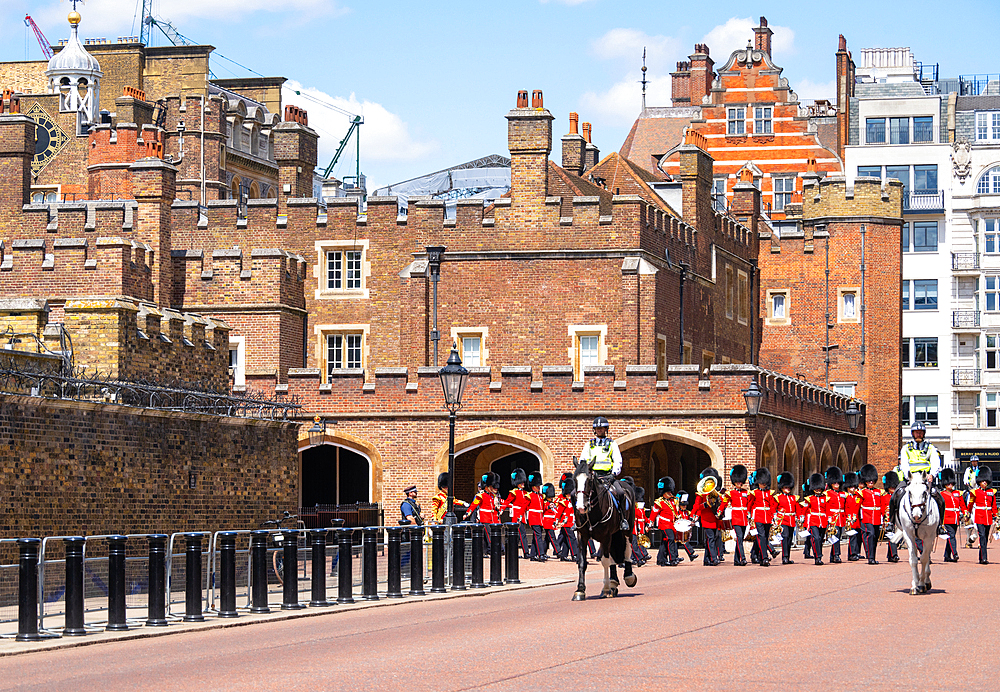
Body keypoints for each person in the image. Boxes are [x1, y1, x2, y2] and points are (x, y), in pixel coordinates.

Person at [579, 416, 631, 532]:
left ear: (606, 429)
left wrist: (614, 473)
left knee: (621, 493)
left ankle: (623, 520)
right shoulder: (589, 444)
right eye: (597, 428)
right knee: (575, 494)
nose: (599, 430)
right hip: (592, 477)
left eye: (601, 428)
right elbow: (583, 460)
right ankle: (578, 520)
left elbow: (618, 460)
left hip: (607, 477)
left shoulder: (612, 444)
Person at [891, 422, 944, 529]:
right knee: (895, 496)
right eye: (916, 432)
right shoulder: (906, 447)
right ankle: (891, 523)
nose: (918, 434)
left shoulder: (930, 447)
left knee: (940, 499)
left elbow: (935, 462)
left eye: (920, 432)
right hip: (910, 479)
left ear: (923, 433)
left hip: (925, 479)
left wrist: (932, 475)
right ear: (913, 433)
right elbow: (904, 464)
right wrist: (908, 476)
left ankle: (940, 525)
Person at [719, 465, 749, 566]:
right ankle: (743, 558)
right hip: (736, 518)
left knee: (741, 539)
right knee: (739, 537)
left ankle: (736, 560)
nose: (739, 484)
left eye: (740, 482)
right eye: (737, 482)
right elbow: (724, 503)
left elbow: (749, 503)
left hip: (744, 518)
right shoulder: (730, 493)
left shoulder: (746, 493)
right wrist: (719, 512)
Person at [692, 467, 722, 566]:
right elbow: (697, 506)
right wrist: (705, 505)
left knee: (712, 538)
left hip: (714, 518)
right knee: (711, 538)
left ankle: (706, 559)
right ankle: (714, 558)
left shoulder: (715, 493)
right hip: (706, 519)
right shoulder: (701, 494)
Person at [748, 468, 777, 567]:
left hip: (767, 516)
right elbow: (750, 504)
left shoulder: (770, 493)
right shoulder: (754, 493)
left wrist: (774, 515)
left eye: (765, 482)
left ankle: (761, 557)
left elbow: (772, 505)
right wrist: (749, 514)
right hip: (758, 516)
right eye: (761, 482)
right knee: (761, 536)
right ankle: (764, 557)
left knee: (765, 537)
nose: (763, 484)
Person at [500, 468, 532, 558]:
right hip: (516, 515)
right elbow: (507, 501)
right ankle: (523, 552)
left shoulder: (525, 493)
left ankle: (521, 552)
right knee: (519, 534)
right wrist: (502, 509)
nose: (523, 484)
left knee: (520, 534)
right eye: (521, 482)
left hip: (522, 514)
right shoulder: (514, 492)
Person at [857, 464, 883, 564]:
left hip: (876, 517)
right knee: (870, 534)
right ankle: (870, 557)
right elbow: (857, 506)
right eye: (868, 481)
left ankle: (872, 556)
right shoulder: (861, 492)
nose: (871, 482)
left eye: (872, 480)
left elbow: (882, 504)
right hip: (867, 517)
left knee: (875, 537)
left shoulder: (879, 491)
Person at [939, 467, 966, 563]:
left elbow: (962, 504)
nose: (950, 485)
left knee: (951, 536)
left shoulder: (957, 493)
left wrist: (965, 512)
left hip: (955, 517)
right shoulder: (942, 494)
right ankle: (955, 554)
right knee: (951, 536)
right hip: (946, 518)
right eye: (948, 483)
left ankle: (946, 556)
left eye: (951, 483)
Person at [970, 466, 996, 564]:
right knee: (982, 536)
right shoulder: (975, 492)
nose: (984, 482)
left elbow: (993, 505)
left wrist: (995, 515)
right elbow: (971, 504)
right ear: (979, 482)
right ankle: (984, 558)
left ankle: (981, 557)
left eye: (986, 481)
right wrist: (967, 514)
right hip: (979, 516)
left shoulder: (991, 492)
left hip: (988, 517)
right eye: (982, 481)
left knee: (985, 536)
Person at [649, 476, 678, 566]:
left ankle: (661, 559)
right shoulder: (659, 502)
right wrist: (650, 523)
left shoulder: (673, 501)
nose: (670, 493)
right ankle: (673, 559)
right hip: (664, 524)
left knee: (665, 541)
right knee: (670, 539)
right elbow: (653, 513)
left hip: (671, 524)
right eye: (668, 491)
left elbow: (675, 512)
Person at [801, 473, 828, 565]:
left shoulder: (825, 498)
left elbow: (827, 510)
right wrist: (802, 517)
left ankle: (818, 554)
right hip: (813, 520)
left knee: (820, 539)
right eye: (816, 487)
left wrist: (830, 519)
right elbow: (804, 509)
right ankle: (818, 557)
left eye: (819, 487)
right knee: (815, 538)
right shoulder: (809, 499)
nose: (818, 489)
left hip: (823, 521)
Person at [555, 473, 580, 562]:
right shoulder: (563, 502)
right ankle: (575, 555)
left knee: (566, 539)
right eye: (568, 493)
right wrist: (556, 521)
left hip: (570, 523)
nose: (569, 495)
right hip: (565, 523)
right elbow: (559, 512)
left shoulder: (572, 501)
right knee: (572, 538)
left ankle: (563, 555)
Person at [775, 472, 798, 565]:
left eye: (788, 487)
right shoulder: (778, 497)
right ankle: (784, 557)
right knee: (784, 537)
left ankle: (788, 557)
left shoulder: (793, 498)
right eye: (785, 487)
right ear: (781, 488)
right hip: (783, 520)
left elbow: (797, 508)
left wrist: (799, 516)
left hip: (791, 520)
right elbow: (774, 508)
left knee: (789, 539)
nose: (787, 489)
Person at [824, 466, 845, 564]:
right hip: (833, 518)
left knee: (838, 536)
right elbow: (826, 506)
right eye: (834, 482)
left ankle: (832, 556)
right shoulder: (827, 493)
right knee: (835, 535)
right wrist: (828, 518)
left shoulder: (842, 493)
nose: (836, 484)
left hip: (841, 517)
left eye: (837, 482)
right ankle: (837, 555)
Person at [881, 471, 901, 563]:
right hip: (888, 519)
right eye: (891, 486)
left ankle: (890, 555)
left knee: (894, 537)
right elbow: (882, 509)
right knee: (892, 536)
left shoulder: (897, 497)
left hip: (897, 520)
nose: (893, 488)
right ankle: (894, 555)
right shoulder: (884, 497)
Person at [526, 473, 546, 560]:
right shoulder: (529, 496)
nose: (538, 487)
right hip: (534, 518)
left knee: (536, 536)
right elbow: (524, 507)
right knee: (539, 536)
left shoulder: (541, 496)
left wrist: (548, 507)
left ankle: (532, 555)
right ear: (533, 486)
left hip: (540, 518)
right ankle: (541, 554)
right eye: (537, 486)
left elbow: (543, 508)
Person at [842, 472, 862, 561]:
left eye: (854, 487)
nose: (853, 489)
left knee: (858, 536)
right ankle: (851, 554)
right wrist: (846, 518)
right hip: (849, 519)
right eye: (851, 487)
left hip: (857, 519)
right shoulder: (846, 497)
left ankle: (856, 552)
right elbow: (844, 508)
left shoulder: (857, 496)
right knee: (852, 537)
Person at [676, 493, 699, 562]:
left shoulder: (687, 512)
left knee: (678, 544)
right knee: (682, 542)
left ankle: (677, 557)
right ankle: (691, 554)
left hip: (684, 530)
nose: (684, 506)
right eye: (683, 505)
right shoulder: (677, 512)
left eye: (685, 505)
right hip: (678, 530)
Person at [541, 483, 561, 558]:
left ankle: (543, 552)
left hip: (551, 522)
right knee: (552, 538)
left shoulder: (553, 503)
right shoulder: (545, 503)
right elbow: (544, 509)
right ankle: (558, 551)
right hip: (547, 522)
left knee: (547, 538)